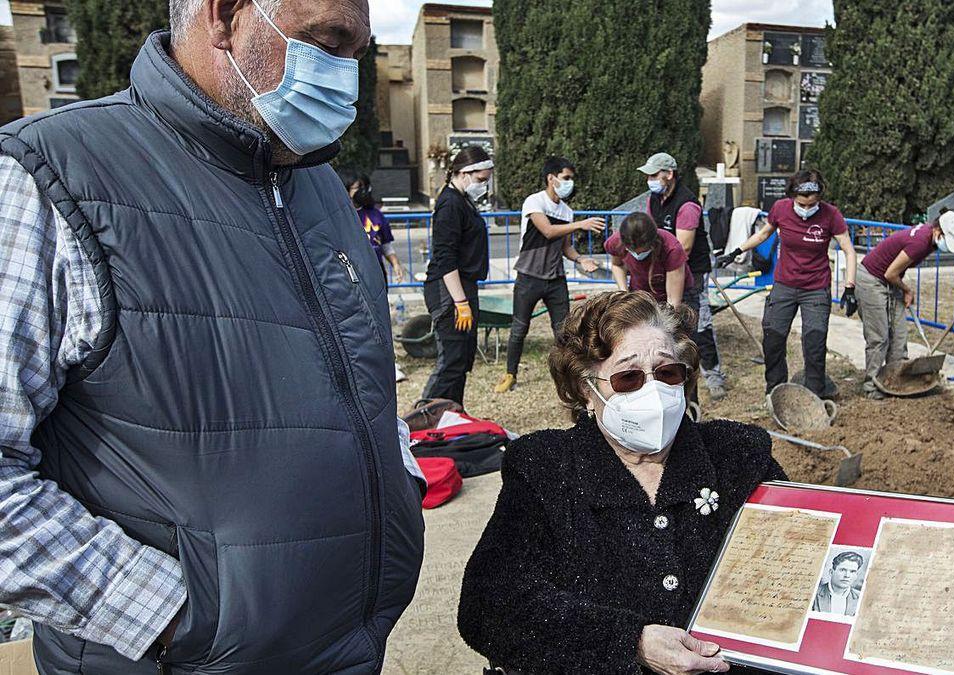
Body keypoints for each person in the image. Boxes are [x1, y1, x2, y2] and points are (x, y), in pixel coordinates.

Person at [0, 1, 426, 673]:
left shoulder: (316, 185)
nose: (349, 76)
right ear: (226, 15)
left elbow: (361, 374)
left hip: (345, 650)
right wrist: (173, 614)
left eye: (358, 50)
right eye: (327, 42)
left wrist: (397, 476)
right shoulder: (50, 177)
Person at [457, 291, 788, 674]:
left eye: (667, 372)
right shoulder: (544, 468)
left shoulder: (738, 457)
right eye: (628, 377)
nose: (654, 391)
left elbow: (806, 562)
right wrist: (630, 642)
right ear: (586, 388)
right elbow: (489, 604)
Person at [715, 170, 857, 399]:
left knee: (814, 344)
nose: (806, 210)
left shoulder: (831, 215)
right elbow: (763, 235)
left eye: (812, 205)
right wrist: (736, 251)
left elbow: (849, 250)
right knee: (773, 339)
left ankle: (815, 396)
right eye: (802, 204)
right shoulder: (780, 208)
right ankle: (775, 392)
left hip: (816, 288)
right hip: (784, 285)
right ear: (793, 197)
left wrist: (850, 288)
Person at [494, 156, 604, 393]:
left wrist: (580, 258)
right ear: (550, 178)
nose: (569, 183)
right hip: (529, 275)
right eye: (566, 178)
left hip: (555, 278)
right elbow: (547, 230)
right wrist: (581, 225)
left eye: (571, 179)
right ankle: (510, 374)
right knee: (519, 328)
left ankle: (569, 377)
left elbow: (564, 246)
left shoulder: (566, 211)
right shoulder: (535, 202)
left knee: (564, 330)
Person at [639, 152, 728, 399]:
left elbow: (682, 248)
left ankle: (713, 375)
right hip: (666, 270)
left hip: (692, 271)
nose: (650, 179)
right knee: (668, 322)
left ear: (669, 174)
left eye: (654, 175)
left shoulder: (687, 204)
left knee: (699, 324)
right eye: (648, 175)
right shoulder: (653, 200)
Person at [856, 211, 954, 398]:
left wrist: (900, 288)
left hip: (889, 281)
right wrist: (907, 290)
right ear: (938, 231)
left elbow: (894, 272)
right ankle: (872, 385)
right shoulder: (920, 242)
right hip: (871, 279)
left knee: (899, 333)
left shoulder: (929, 240)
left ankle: (898, 378)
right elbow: (890, 273)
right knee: (879, 336)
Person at [422, 146, 493, 405]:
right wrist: (460, 303)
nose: (484, 185)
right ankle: (424, 418)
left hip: (464, 287)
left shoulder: (463, 200)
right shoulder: (449, 204)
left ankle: (453, 414)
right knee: (451, 360)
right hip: (448, 289)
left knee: (463, 358)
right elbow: (445, 258)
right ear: (464, 173)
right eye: (481, 180)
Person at [605, 212, 696, 313]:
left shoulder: (671, 248)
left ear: (652, 244)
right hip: (641, 292)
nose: (637, 255)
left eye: (642, 251)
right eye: (631, 250)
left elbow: (673, 302)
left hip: (678, 295)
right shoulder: (616, 241)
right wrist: (624, 293)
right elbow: (617, 265)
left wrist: (667, 319)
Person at [348, 174, 404, 282]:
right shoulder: (342, 217)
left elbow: (385, 246)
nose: (362, 192)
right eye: (357, 188)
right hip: (354, 274)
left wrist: (396, 264)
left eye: (364, 187)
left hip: (376, 271)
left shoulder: (376, 214)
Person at [811, 552, 864, 616]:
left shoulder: (861, 598)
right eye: (842, 570)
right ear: (831, 572)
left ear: (856, 576)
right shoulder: (814, 593)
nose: (847, 575)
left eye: (852, 571)